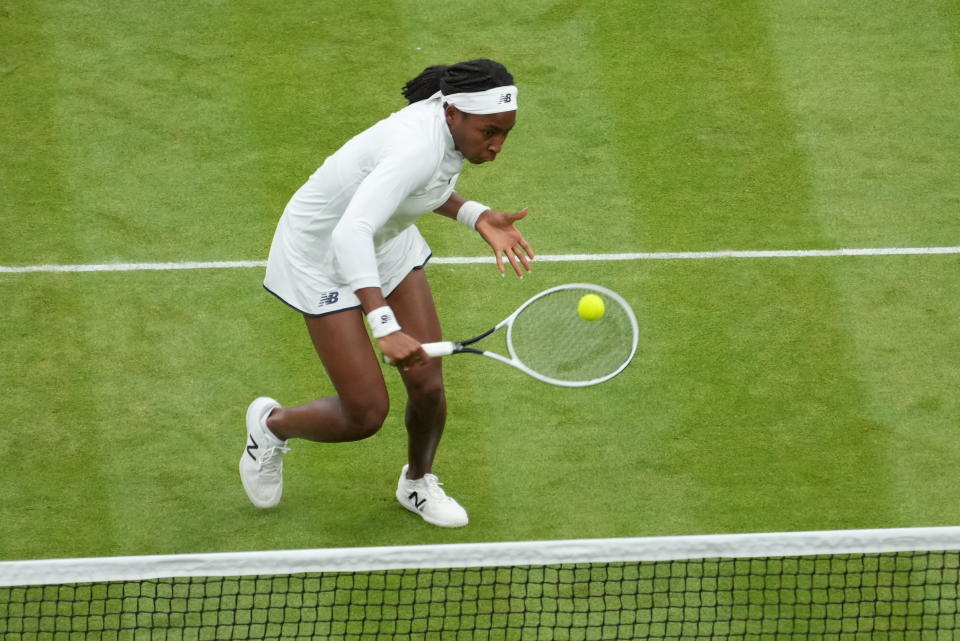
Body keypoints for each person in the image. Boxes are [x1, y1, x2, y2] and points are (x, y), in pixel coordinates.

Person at [240, 59, 534, 528]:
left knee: (428, 385)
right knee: (365, 414)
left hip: (384, 239)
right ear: (454, 113)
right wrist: (384, 325)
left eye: (505, 133)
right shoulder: (415, 145)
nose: (497, 146)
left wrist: (474, 214)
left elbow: (420, 190)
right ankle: (271, 427)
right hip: (321, 253)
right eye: (490, 132)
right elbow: (349, 232)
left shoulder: (451, 129)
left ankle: (417, 483)